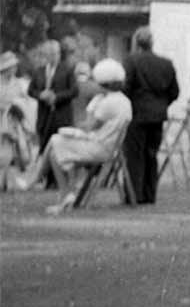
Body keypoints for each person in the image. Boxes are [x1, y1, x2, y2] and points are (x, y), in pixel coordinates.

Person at [12, 58, 132, 211]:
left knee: (56, 140)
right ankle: (64, 194)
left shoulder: (107, 103)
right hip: (108, 146)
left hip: (100, 148)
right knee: (55, 151)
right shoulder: (123, 100)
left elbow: (89, 126)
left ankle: (37, 178)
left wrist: (90, 109)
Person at [122, 26, 180, 205]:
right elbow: (175, 92)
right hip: (157, 116)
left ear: (137, 43)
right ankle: (149, 195)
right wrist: (161, 105)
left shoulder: (131, 61)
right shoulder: (166, 64)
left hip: (137, 114)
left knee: (134, 155)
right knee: (151, 154)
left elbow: (126, 88)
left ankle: (134, 195)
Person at [28, 40, 77, 188]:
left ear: (59, 54)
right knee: (45, 147)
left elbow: (74, 91)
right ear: (45, 55)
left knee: (60, 147)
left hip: (61, 116)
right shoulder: (39, 71)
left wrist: (57, 97)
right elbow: (31, 91)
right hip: (44, 116)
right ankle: (48, 180)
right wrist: (41, 95)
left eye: (55, 54)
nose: (53, 56)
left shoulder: (67, 70)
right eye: (50, 54)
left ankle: (59, 181)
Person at [1, 51, 39, 190]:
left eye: (15, 67)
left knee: (15, 153)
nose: (14, 69)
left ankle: (8, 183)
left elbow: (27, 101)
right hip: (1, 121)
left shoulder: (19, 84)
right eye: (12, 67)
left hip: (14, 122)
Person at [72, 60, 101, 128]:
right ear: (89, 72)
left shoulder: (69, 86)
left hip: (70, 121)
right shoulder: (96, 87)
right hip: (87, 123)